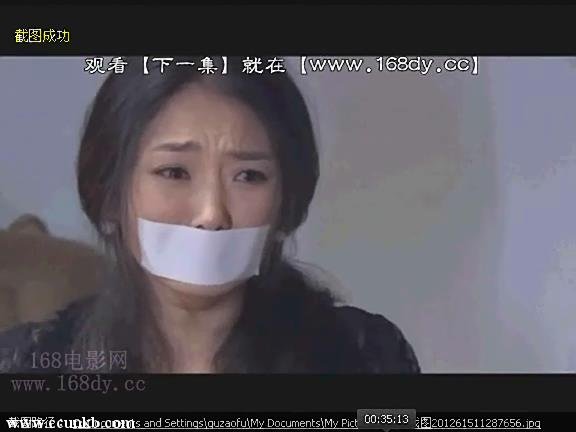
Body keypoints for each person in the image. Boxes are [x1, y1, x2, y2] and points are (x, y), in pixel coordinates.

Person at [0, 57, 420, 374]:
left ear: (286, 203)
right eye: (174, 172)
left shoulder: (365, 357)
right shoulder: (28, 365)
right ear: (108, 197)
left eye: (249, 176)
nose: (212, 214)